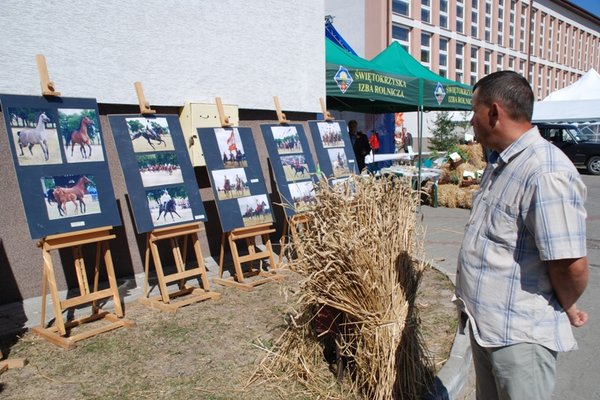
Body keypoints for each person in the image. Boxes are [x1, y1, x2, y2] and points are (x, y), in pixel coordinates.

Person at [454, 71, 589, 399]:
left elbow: (570, 265)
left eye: (475, 111)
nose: (472, 121)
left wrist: (567, 303)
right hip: (488, 328)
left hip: (519, 338)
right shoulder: (501, 162)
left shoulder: (545, 171)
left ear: (494, 113)